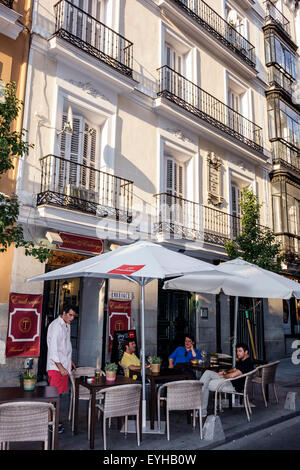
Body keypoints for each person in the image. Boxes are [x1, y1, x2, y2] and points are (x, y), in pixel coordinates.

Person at [199, 342, 254, 418]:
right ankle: (199, 402)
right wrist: (225, 372)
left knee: (206, 384)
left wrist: (224, 375)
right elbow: (235, 369)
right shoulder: (244, 360)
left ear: (246, 352)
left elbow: (232, 375)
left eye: (240, 351)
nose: (237, 353)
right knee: (207, 373)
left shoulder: (247, 363)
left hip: (232, 385)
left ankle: (201, 409)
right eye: (237, 351)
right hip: (230, 380)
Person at [46, 303, 77, 432]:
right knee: (52, 397)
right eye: (70, 315)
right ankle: (49, 423)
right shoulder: (56, 326)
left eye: (74, 316)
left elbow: (65, 347)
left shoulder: (66, 325)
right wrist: (61, 367)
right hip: (56, 367)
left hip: (63, 366)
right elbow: (53, 350)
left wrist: (70, 361)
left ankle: (54, 420)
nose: (72, 318)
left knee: (58, 396)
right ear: (63, 313)